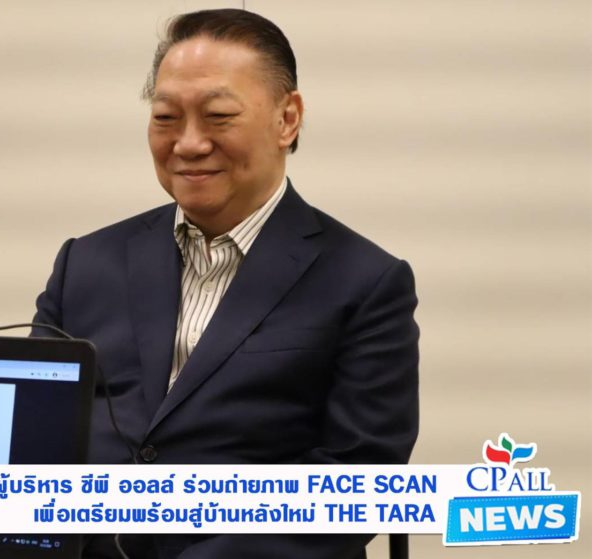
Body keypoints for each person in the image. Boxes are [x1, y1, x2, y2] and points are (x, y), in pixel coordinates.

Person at [34, 8, 419, 558]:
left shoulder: (366, 282)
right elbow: (35, 433)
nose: (188, 144)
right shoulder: (85, 262)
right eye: (166, 117)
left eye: (218, 116)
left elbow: (356, 480)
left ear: (287, 119)